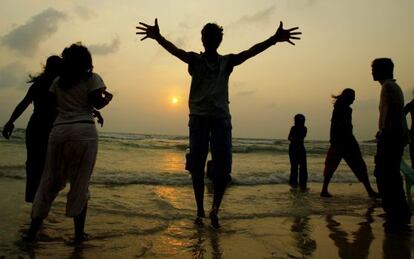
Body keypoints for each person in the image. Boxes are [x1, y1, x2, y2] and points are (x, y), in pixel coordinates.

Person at [136, 18, 301, 228]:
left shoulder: (227, 62)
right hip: (198, 119)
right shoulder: (194, 60)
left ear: (220, 40)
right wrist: (158, 37)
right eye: (207, 35)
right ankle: (199, 211)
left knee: (222, 169)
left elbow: (250, 52)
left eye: (215, 36)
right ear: (202, 39)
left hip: (221, 120)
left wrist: (274, 39)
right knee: (197, 167)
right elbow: (175, 50)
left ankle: (215, 210)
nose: (211, 39)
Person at [24, 43, 113, 242]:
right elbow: (96, 102)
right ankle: (79, 235)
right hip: (84, 132)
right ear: (86, 61)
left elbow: (53, 104)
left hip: (59, 132)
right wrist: (107, 98)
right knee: (80, 183)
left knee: (48, 181)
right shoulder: (93, 79)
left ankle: (32, 233)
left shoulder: (57, 82)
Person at [2, 55, 61, 203]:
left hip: (35, 127)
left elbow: (23, 104)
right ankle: (42, 202)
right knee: (49, 166)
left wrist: (10, 122)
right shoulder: (61, 85)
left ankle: (33, 199)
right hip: (51, 129)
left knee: (33, 164)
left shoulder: (38, 84)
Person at [371, 58, 411, 230]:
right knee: (390, 174)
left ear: (382, 70)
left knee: (384, 174)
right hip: (396, 138)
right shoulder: (394, 87)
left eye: (374, 69)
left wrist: (383, 133)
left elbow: (390, 114)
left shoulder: (387, 87)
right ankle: (398, 211)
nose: (371, 72)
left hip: (390, 138)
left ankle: (396, 212)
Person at [320, 88, 378, 198]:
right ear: (348, 97)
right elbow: (341, 126)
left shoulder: (338, 108)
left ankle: (324, 190)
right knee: (359, 165)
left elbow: (334, 126)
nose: (354, 99)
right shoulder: (345, 110)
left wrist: (333, 139)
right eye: (353, 97)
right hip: (346, 141)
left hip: (338, 141)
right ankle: (370, 191)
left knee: (331, 166)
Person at [288, 114, 308, 190]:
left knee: (302, 167)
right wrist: (292, 139)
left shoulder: (304, 128)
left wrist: (293, 138)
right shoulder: (294, 128)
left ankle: (301, 183)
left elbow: (302, 136)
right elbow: (289, 137)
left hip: (298, 148)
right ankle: (294, 182)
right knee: (295, 167)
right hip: (294, 148)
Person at [404, 92, 414, 168]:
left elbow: (400, 116)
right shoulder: (411, 104)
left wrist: (406, 130)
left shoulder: (411, 104)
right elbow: (401, 116)